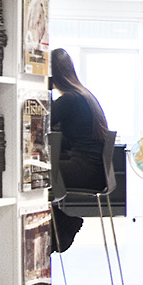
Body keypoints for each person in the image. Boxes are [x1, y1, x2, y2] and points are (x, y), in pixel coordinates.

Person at [49, 48, 114, 253]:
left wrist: (43, 88)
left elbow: (42, 121)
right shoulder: (83, 95)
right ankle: (59, 226)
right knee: (41, 176)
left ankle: (62, 226)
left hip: (85, 170)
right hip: (96, 170)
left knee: (34, 178)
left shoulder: (69, 99)